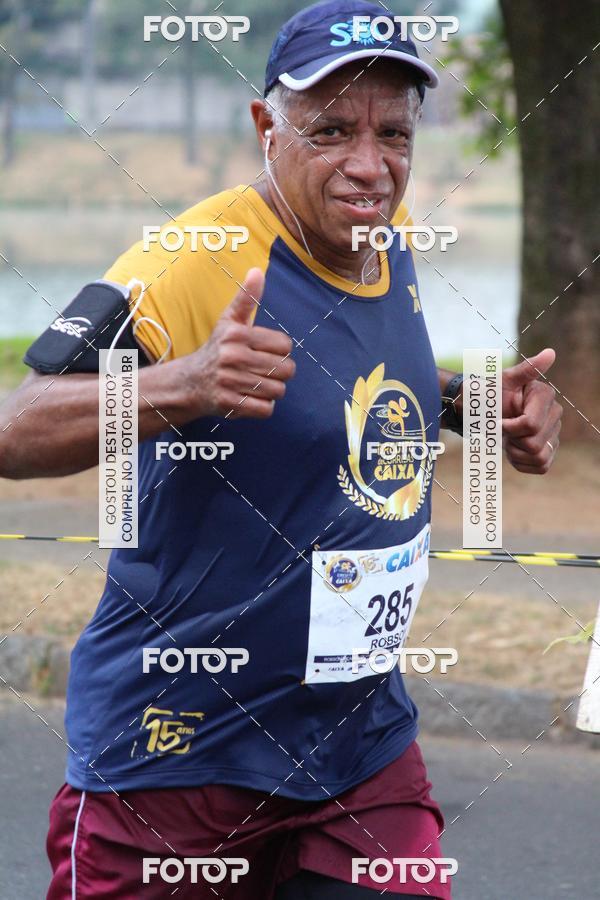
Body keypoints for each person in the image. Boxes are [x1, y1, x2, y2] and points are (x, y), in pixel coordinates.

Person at [0, 1, 563, 897]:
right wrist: (181, 385)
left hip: (357, 745)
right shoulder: (196, 256)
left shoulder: (387, 235)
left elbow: (350, 385)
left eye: (394, 133)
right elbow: (17, 426)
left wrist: (466, 405)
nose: (369, 166)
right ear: (268, 127)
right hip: (181, 751)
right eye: (331, 130)